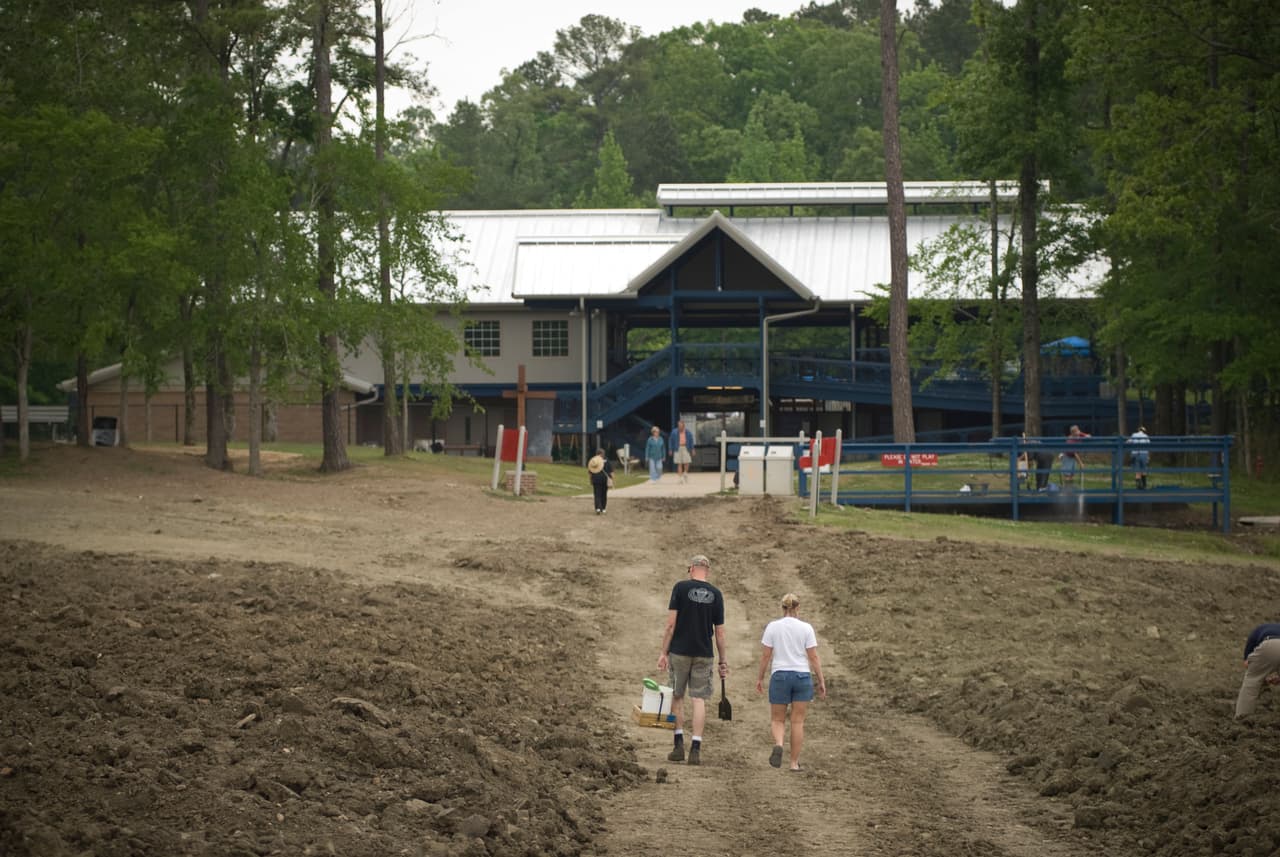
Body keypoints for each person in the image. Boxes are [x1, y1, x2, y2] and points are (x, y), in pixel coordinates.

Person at [656, 554, 727, 766]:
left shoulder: (680, 588)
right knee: (699, 700)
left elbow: (670, 625)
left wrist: (663, 652)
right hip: (704, 653)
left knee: (677, 697)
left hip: (679, 651)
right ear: (708, 571)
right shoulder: (716, 594)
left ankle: (678, 745)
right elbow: (720, 633)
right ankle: (696, 748)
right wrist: (723, 661)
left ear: (691, 569)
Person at [755, 593, 826, 772]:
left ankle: (779, 744)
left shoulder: (773, 627)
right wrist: (820, 679)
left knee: (778, 719)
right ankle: (794, 763)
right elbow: (813, 656)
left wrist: (760, 678)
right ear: (797, 608)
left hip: (780, 675)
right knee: (797, 722)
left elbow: (766, 655)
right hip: (802, 676)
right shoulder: (806, 628)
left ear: (782, 608)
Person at [1234, 622, 1280, 718]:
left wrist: (1263, 677)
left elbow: (1248, 664)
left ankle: (1242, 718)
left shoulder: (1256, 632)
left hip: (1271, 644)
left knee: (1252, 679)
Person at [587, 448, 614, 514]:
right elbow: (611, 472)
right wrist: (612, 479)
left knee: (597, 494)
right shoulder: (607, 461)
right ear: (603, 454)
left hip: (596, 479)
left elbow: (590, 472)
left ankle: (598, 508)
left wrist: (590, 480)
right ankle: (603, 508)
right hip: (605, 479)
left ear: (596, 454)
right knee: (604, 494)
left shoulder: (593, 461)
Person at [670, 419, 695, 484]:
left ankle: (685, 473)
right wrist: (670, 449)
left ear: (683, 426)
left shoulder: (688, 432)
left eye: (681, 425)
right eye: (678, 425)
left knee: (687, 462)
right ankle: (680, 478)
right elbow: (670, 441)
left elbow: (691, 441)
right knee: (679, 463)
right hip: (677, 448)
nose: (679, 427)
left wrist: (692, 449)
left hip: (686, 448)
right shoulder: (674, 432)